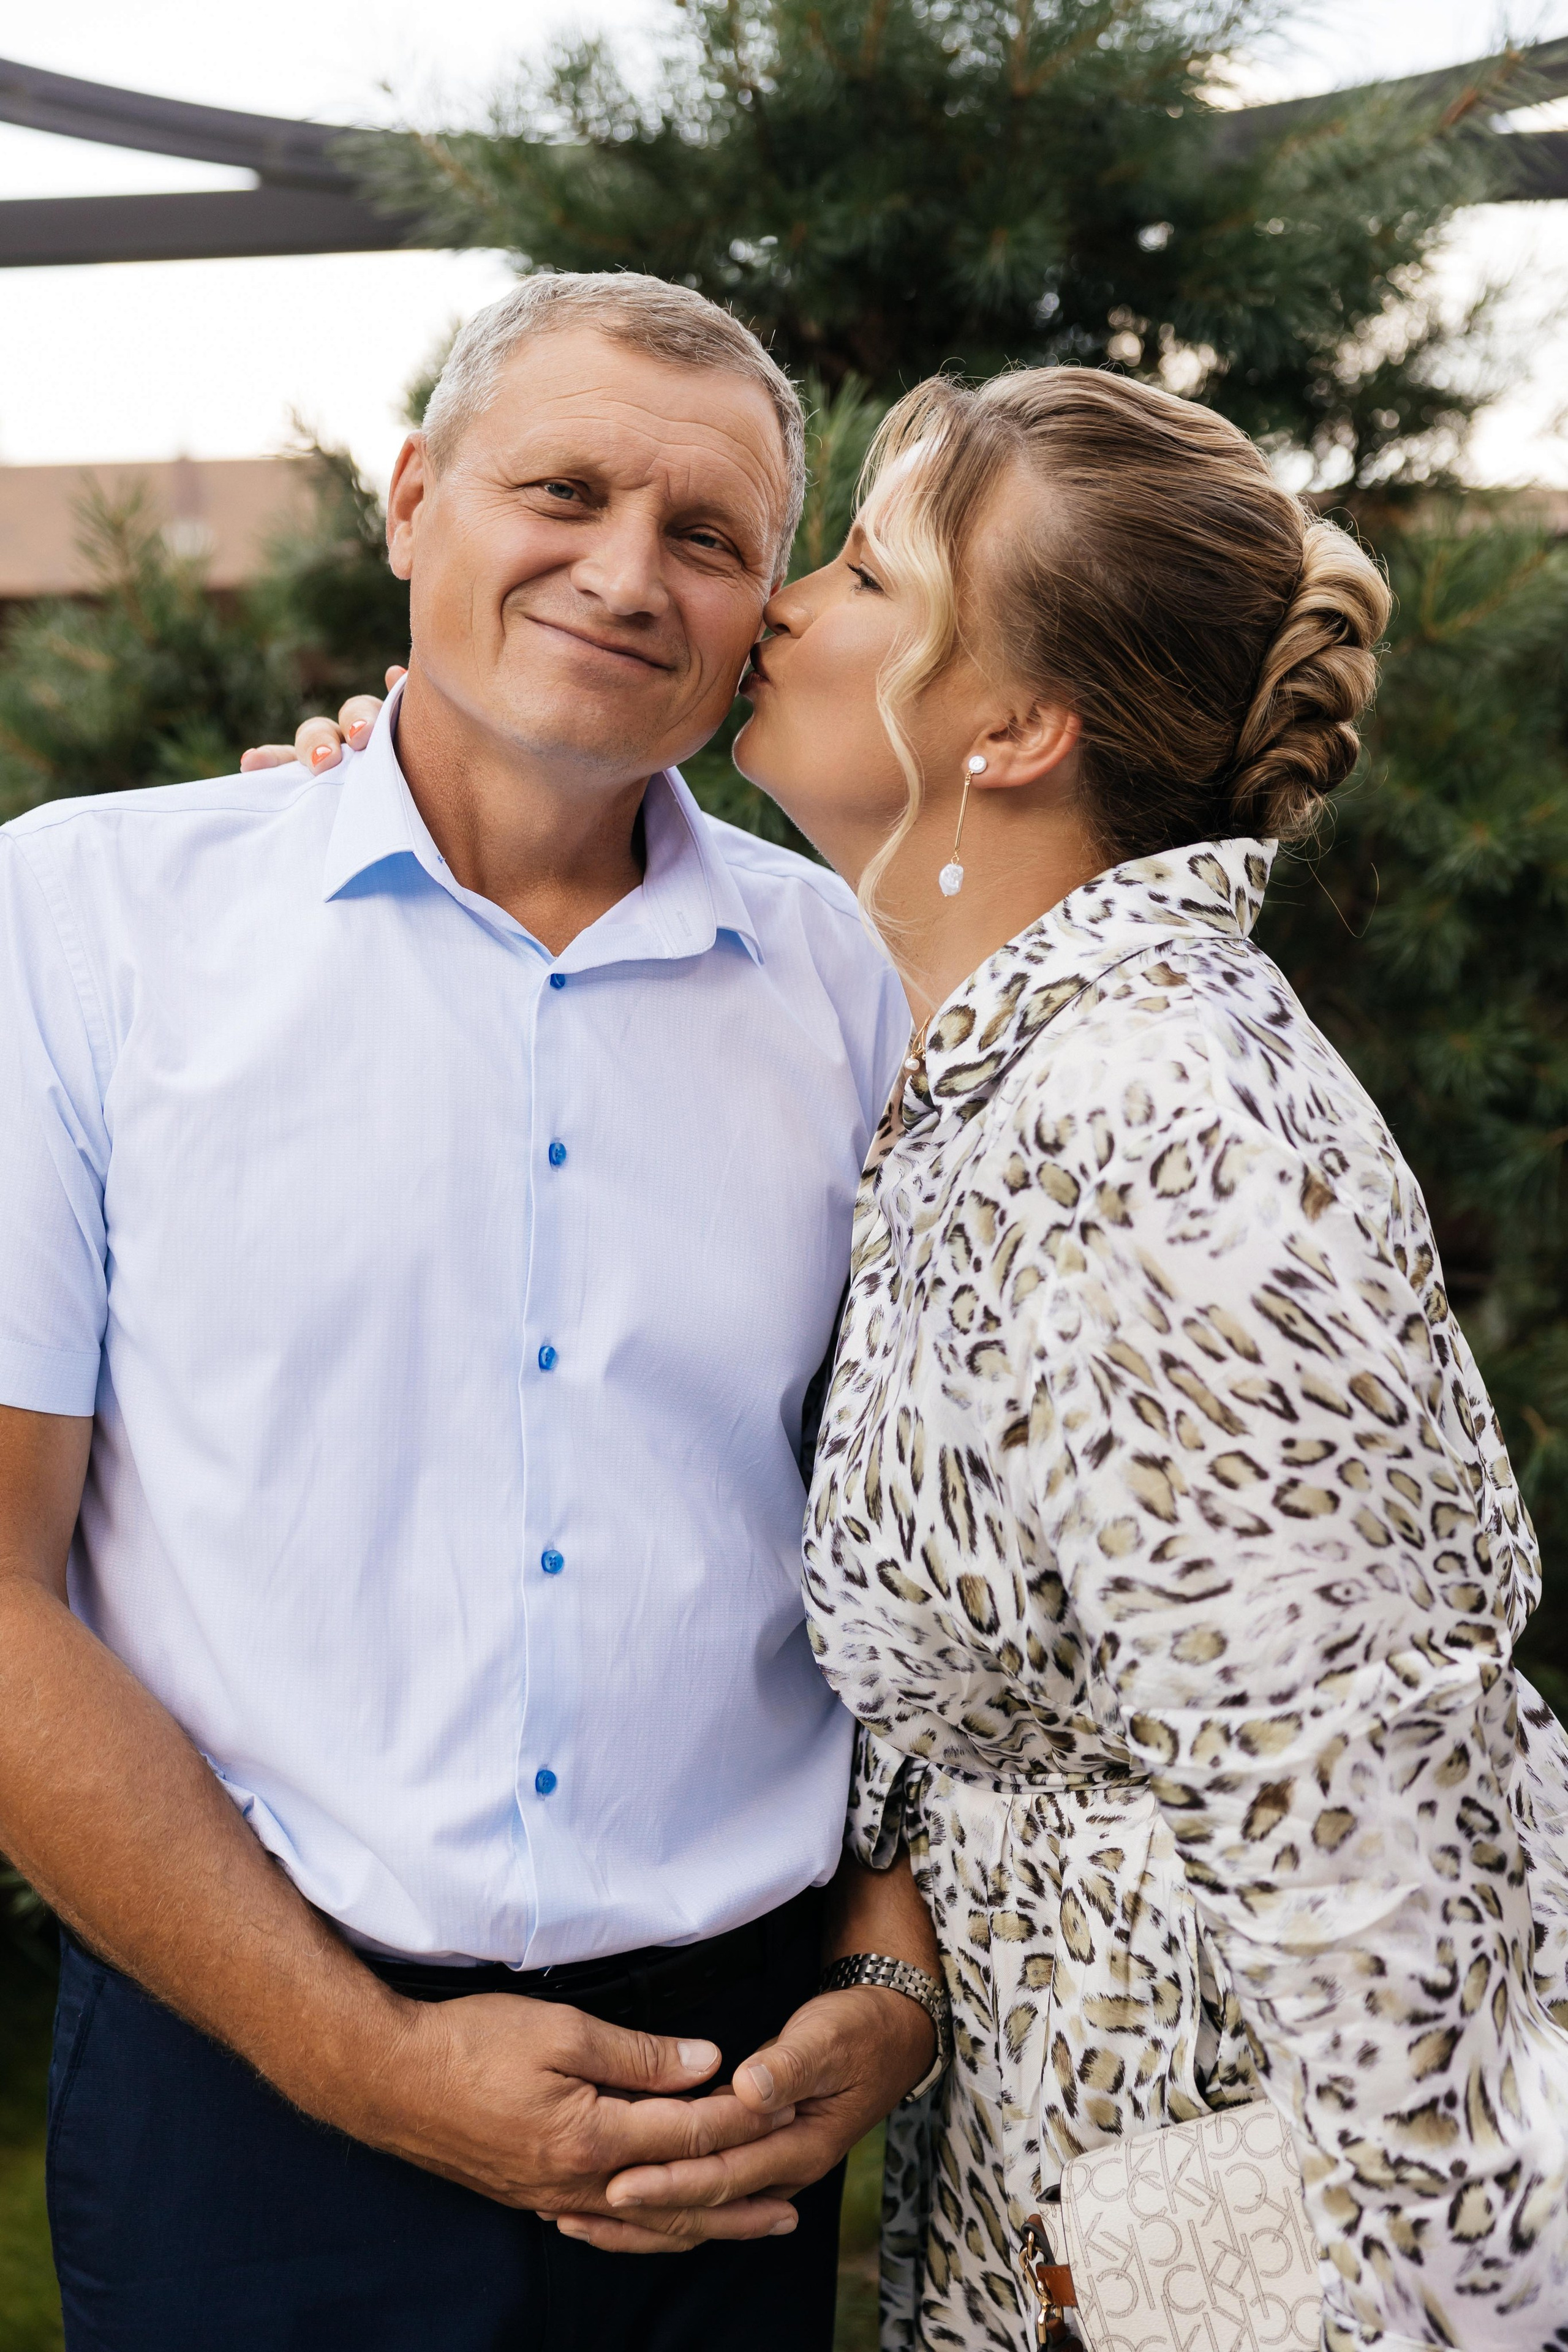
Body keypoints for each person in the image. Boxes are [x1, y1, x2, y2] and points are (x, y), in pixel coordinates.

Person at [293, 363, 1568, 2348]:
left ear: (1014, 728)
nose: (782, 605)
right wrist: (421, 782)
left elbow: (1373, 1877)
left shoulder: (1156, 1123)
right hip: (1051, 2173)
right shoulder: (972, 1069)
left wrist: (1162, 2290)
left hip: (1231, 2243)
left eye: (867, 573)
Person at [0, 273, 952, 2352]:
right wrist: (356, 2059)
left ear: (757, 609)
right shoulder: (75, 925)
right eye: (564, 489)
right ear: (416, 498)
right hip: (242, 2084)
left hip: (727, 2106)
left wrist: (892, 1971)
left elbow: (937, 1565)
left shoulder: (853, 989)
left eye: (707, 539)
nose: (626, 573)